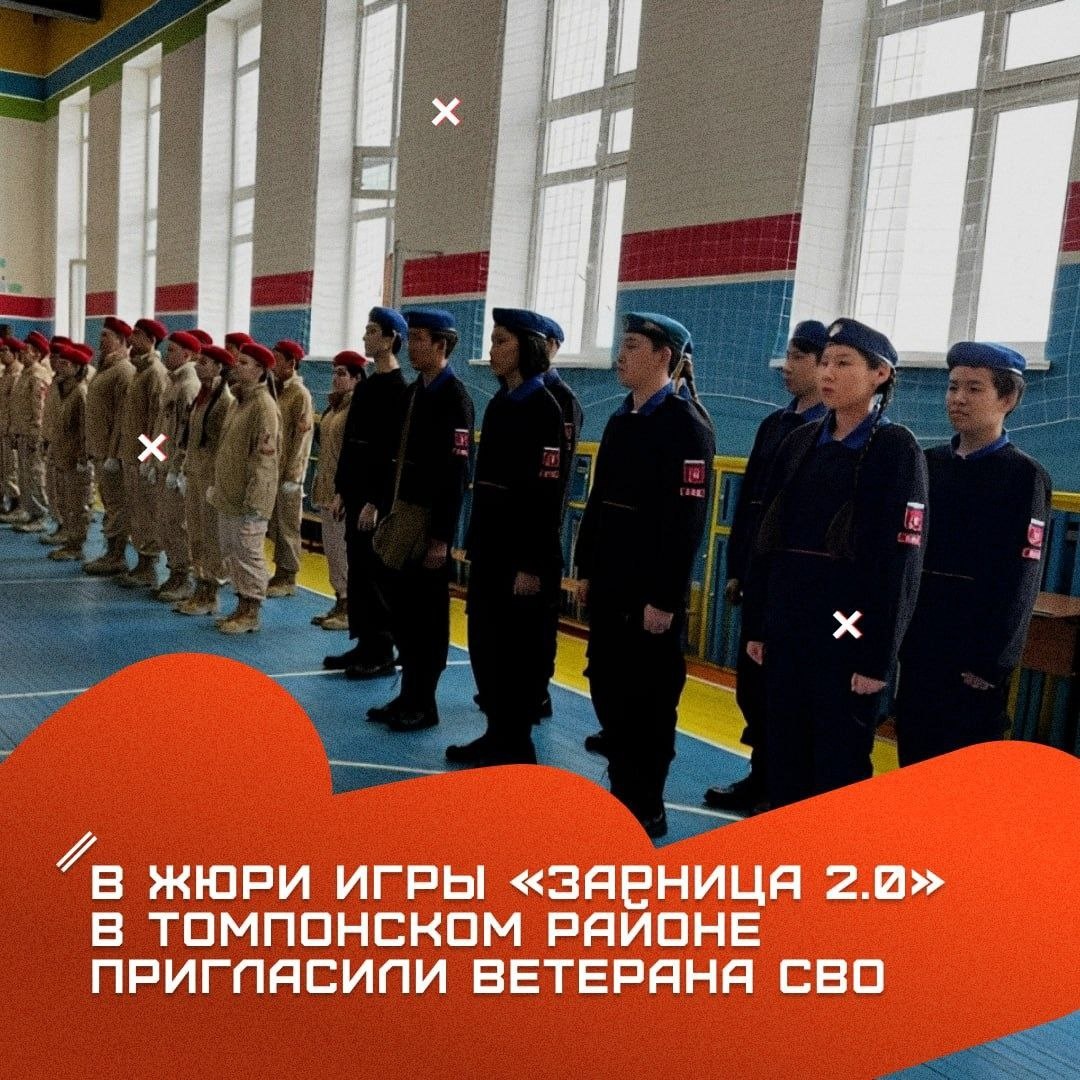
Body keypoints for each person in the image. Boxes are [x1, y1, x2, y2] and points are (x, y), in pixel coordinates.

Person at [741, 318, 928, 809]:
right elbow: (768, 540)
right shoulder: (799, 442)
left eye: (843, 363)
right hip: (789, 626)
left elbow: (900, 564)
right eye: (825, 361)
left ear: (879, 374)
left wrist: (876, 656)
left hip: (848, 628)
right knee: (783, 751)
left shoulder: (895, 448)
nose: (828, 372)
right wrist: (759, 624)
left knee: (837, 760)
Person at [575, 312, 715, 838]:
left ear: (663, 356)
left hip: (650, 592)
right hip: (610, 583)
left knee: (649, 702)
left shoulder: (686, 425)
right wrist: (587, 568)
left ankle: (646, 803)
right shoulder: (621, 420)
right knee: (608, 687)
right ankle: (621, 791)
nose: (620, 355)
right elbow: (599, 502)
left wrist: (665, 597)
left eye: (632, 346)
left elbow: (686, 523)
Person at [895, 342, 1051, 765]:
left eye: (974, 389)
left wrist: (992, 662)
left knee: (963, 769)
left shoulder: (1024, 476)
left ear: (1007, 398)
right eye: (953, 387)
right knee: (913, 757)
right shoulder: (927, 464)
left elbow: (1021, 581)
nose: (958, 398)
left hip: (972, 657)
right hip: (920, 644)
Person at [703, 319, 829, 814]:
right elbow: (751, 503)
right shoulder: (774, 425)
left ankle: (784, 784)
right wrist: (737, 567)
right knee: (753, 684)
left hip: (795, 583)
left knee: (786, 689)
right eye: (788, 355)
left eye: (799, 357)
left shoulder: (828, 432)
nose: (787, 366)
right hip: (759, 575)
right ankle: (760, 775)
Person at [446, 309, 566, 766]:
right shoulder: (500, 403)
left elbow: (546, 496)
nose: (492, 350)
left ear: (527, 348)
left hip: (522, 557)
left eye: (502, 341)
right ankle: (496, 733)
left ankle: (516, 744)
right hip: (491, 550)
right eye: (493, 340)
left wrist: (532, 565)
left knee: (517, 654)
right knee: (485, 645)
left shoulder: (545, 409)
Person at [367, 308, 474, 732]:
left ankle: (424, 702)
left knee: (428, 620)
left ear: (441, 345)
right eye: (409, 338)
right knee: (405, 615)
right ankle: (408, 693)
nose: (410, 346)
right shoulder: (415, 393)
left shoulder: (455, 399)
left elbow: (456, 475)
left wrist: (441, 538)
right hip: (404, 514)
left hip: (429, 524)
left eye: (418, 339)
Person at [325, 307, 409, 678]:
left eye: (372, 331)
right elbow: (352, 445)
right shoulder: (368, 387)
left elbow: (391, 454)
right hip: (355, 493)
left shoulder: (399, 391)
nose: (365, 337)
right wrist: (342, 491)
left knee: (375, 574)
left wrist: (376, 500)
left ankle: (381, 649)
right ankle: (363, 642)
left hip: (376, 500)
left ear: (390, 339)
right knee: (358, 570)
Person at [209, 342, 280, 633]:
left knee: (248, 553)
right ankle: (240, 605)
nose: (237, 366)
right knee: (232, 552)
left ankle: (251, 611)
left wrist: (256, 503)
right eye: (237, 361)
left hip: (249, 498)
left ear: (260, 370)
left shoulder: (263, 406)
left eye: (245, 363)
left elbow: (264, 460)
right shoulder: (238, 401)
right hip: (230, 491)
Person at [174, 344, 236, 616]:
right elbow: (165, 431)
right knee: (194, 532)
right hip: (190, 470)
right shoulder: (201, 395)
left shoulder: (222, 401)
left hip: (209, 475)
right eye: (198, 361)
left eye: (204, 362)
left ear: (219, 368)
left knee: (210, 536)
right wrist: (173, 465)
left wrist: (219, 481)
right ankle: (198, 584)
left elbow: (223, 446)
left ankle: (208, 590)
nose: (198, 367)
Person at [310, 351, 367, 630]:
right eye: (334, 372)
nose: (335, 378)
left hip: (342, 492)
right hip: (326, 486)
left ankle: (351, 606)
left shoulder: (357, 410)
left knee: (343, 550)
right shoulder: (334, 408)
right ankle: (340, 599)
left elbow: (355, 456)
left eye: (342, 373)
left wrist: (343, 492)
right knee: (332, 550)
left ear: (357, 378)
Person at [116, 318, 169, 589]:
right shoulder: (140, 371)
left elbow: (157, 421)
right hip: (132, 451)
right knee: (136, 510)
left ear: (151, 340)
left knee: (147, 512)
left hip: (143, 453)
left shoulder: (155, 373)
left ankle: (148, 566)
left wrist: (150, 457)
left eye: (137, 335)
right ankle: (141, 561)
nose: (131, 340)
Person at [83, 318, 136, 576]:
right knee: (109, 502)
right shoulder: (105, 368)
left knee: (117, 504)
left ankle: (116, 555)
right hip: (100, 448)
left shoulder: (124, 371)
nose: (101, 340)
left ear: (122, 341)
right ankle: (111, 551)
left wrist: (114, 454)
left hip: (111, 452)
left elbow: (122, 418)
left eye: (107, 336)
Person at [153, 331, 203, 603]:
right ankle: (174, 571)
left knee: (177, 524)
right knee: (164, 522)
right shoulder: (172, 384)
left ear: (187, 355)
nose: (166, 354)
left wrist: (178, 468)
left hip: (175, 468)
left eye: (172, 350)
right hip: (163, 463)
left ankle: (184, 577)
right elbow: (160, 428)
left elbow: (187, 435)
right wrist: (149, 458)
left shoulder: (189, 386)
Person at [266, 339, 314, 598]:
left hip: (289, 474)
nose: (272, 364)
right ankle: (279, 571)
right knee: (275, 524)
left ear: (291, 363)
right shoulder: (276, 390)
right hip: (273, 470)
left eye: (277, 359)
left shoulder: (299, 394)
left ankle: (288, 576)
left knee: (287, 526)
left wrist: (294, 475)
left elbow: (302, 438)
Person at [45, 343, 93, 561]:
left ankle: (76, 545)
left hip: (75, 457)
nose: (60, 367)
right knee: (64, 499)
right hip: (62, 453)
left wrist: (84, 456)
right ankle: (68, 537)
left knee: (78, 503)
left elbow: (85, 428)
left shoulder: (80, 392)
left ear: (77, 368)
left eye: (65, 364)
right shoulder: (62, 389)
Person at [8, 335, 52, 534]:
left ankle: (41, 515)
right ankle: (30, 511)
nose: (22, 353)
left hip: (32, 434)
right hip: (22, 432)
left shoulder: (37, 375)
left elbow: (39, 410)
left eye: (26, 350)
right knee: (24, 476)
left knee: (35, 476)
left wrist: (37, 435)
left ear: (36, 354)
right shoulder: (25, 374)